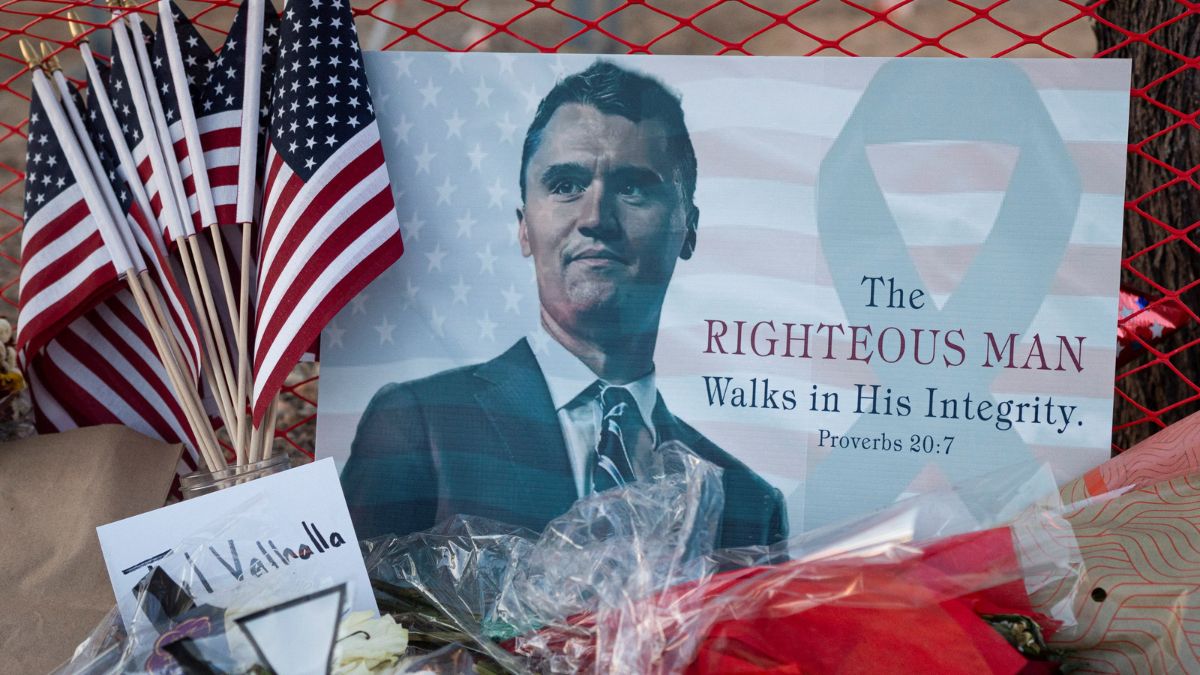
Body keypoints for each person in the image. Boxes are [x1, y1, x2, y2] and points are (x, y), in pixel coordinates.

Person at [342, 60, 787, 549]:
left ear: (689, 228)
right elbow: (351, 619)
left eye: (634, 188)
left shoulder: (746, 502)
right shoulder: (417, 423)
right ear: (523, 226)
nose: (596, 217)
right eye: (565, 185)